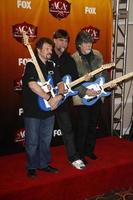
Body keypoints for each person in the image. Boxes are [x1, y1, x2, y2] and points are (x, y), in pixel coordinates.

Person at [22, 37, 64, 177]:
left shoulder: (52, 64)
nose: (50, 51)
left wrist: (60, 96)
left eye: (51, 49)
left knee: (46, 140)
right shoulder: (31, 64)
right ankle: (32, 166)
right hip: (33, 111)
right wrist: (49, 98)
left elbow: (60, 83)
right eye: (46, 48)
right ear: (38, 50)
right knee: (32, 141)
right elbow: (32, 84)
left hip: (49, 111)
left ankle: (44, 164)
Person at [51, 29, 87, 169]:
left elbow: (76, 81)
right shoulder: (46, 55)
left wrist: (86, 86)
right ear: (54, 40)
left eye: (66, 41)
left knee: (68, 129)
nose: (63, 43)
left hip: (63, 101)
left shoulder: (69, 60)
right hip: (46, 101)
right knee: (43, 132)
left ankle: (73, 157)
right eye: (60, 40)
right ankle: (38, 160)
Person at [72, 30, 108, 162]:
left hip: (97, 95)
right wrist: (85, 92)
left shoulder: (98, 54)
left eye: (90, 42)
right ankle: (79, 154)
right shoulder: (74, 58)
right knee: (83, 126)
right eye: (85, 43)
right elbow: (72, 81)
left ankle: (89, 150)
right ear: (79, 44)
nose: (89, 45)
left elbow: (103, 73)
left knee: (93, 125)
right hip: (82, 98)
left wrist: (106, 86)